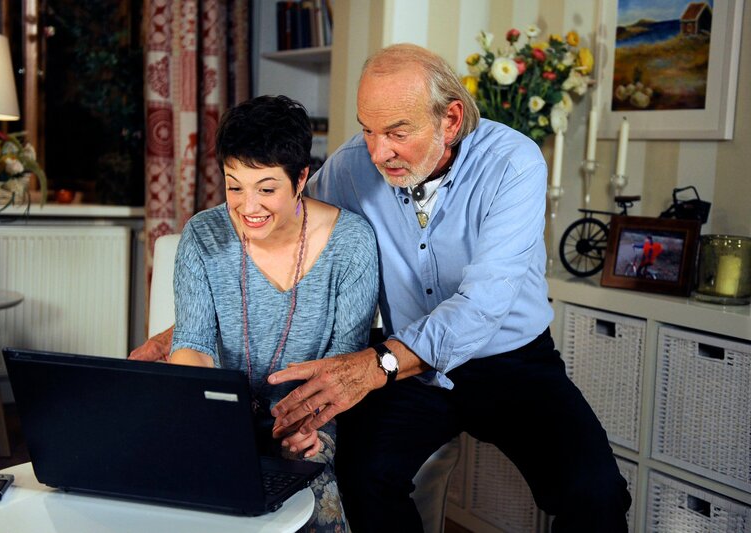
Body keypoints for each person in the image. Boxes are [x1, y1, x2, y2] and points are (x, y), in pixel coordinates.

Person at [265, 44, 632, 532]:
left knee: (596, 493)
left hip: (512, 361)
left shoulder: (513, 163)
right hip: (408, 371)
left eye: (397, 132)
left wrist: (377, 365)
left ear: (451, 119)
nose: (378, 152)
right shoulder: (352, 166)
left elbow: (482, 305)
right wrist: (189, 326)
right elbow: (294, 241)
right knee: (364, 475)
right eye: (368, 129)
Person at [162, 95, 378, 533]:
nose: (248, 206)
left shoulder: (352, 243)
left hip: (311, 420)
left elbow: (342, 367)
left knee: (315, 507)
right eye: (234, 185)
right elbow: (193, 344)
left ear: (301, 178)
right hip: (220, 419)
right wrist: (202, 416)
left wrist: (305, 428)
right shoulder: (203, 235)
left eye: (266, 188)